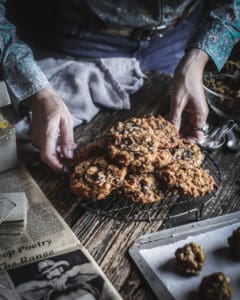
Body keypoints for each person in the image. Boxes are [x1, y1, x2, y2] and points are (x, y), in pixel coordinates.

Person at [1, 0, 240, 172]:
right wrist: (37, 91)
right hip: (84, 37)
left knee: (178, 125)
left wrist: (197, 59)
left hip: (178, 39)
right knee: (40, 134)